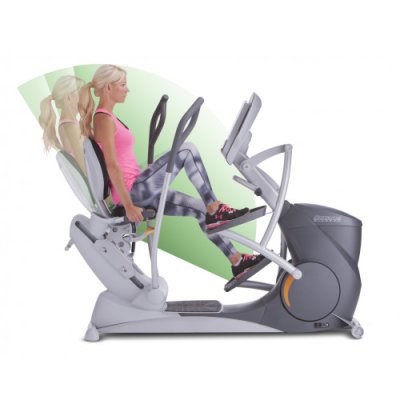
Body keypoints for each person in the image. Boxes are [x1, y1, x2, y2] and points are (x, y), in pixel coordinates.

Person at [78, 64, 264, 278]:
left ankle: (237, 261)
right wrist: (128, 205)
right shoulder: (103, 119)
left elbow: (122, 159)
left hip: (138, 186)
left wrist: (148, 169)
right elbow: (111, 164)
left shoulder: (110, 118)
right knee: (187, 150)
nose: (127, 89)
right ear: (108, 88)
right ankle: (215, 207)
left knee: (200, 211)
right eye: (122, 84)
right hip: (133, 192)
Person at [39, 75, 86, 172]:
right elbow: (84, 166)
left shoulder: (70, 124)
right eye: (82, 95)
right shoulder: (70, 127)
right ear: (69, 98)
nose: (86, 99)